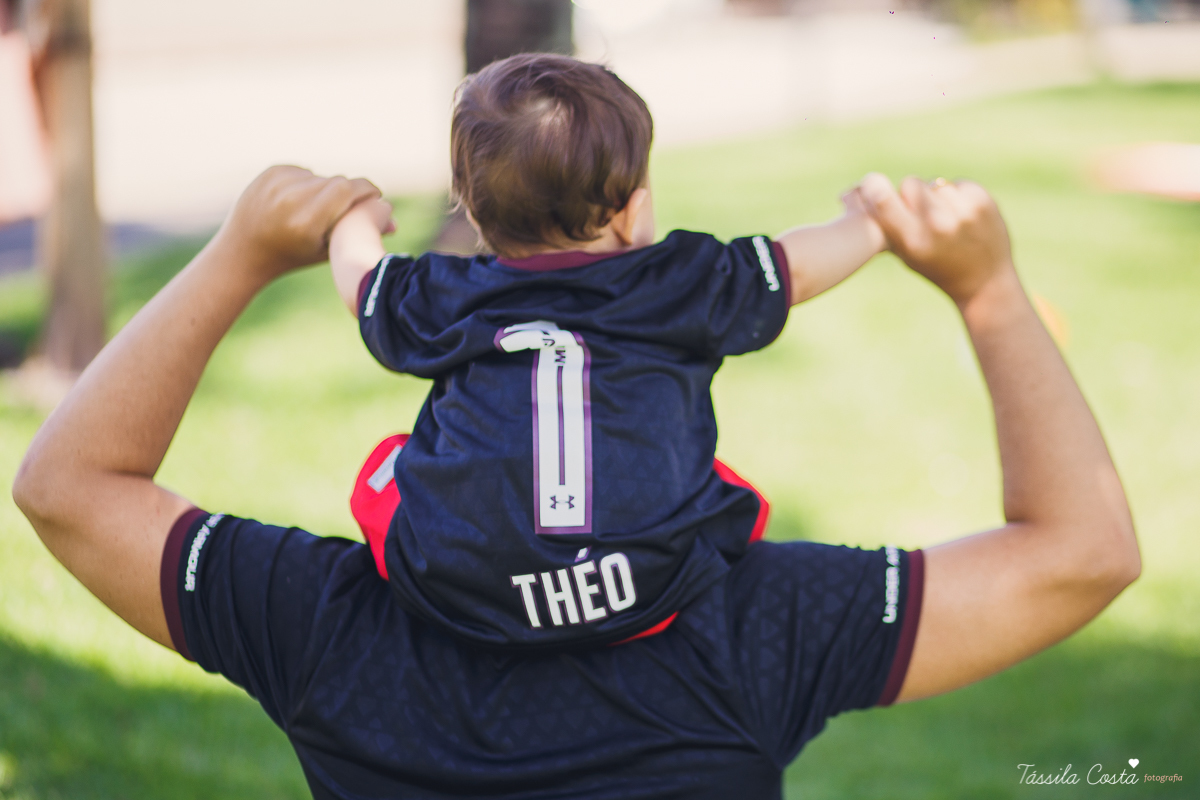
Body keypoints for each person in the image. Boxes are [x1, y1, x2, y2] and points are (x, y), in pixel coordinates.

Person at [13, 164, 1140, 799]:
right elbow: (1081, 553)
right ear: (638, 214)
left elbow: (68, 486)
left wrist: (241, 253)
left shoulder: (329, 630)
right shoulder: (757, 629)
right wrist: (987, 291)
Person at [327, 54, 886, 649]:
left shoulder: (446, 295)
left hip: (462, 589)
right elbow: (790, 266)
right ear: (632, 215)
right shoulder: (679, 281)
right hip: (644, 585)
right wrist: (871, 223)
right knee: (713, 480)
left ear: (473, 209)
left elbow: (362, 281)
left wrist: (351, 220)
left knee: (390, 465)